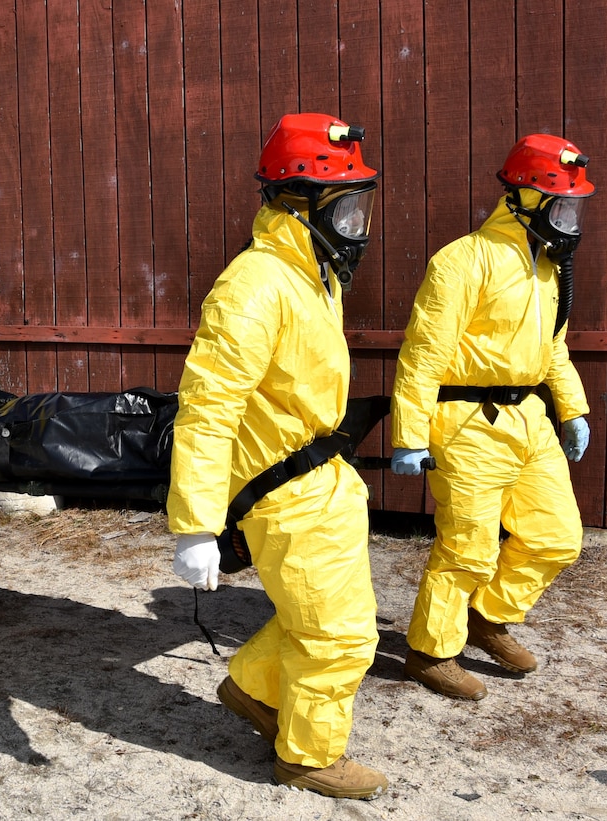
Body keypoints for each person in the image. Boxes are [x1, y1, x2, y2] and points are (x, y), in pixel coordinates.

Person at [166, 113, 388, 800]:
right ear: (298, 205)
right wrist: (196, 524)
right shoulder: (255, 286)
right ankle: (308, 755)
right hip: (286, 492)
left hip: (322, 481)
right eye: (344, 210)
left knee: (316, 617)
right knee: (342, 634)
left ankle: (256, 689)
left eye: (360, 208)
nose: (356, 226)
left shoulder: (309, 276)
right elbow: (207, 408)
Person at [390, 134, 594, 700]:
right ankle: (430, 652)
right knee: (468, 546)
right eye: (563, 204)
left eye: (576, 205)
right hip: (467, 420)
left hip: (530, 417)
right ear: (525, 197)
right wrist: (408, 434)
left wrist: (572, 409)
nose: (571, 218)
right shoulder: (462, 261)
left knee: (556, 537)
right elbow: (423, 354)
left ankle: (485, 616)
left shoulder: (547, 268)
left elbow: (554, 348)